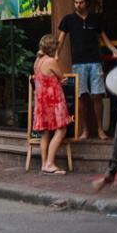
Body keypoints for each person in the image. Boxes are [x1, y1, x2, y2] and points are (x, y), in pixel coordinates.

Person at [58, 0, 117, 140]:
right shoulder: (68, 19)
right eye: (75, 3)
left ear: (87, 3)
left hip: (95, 62)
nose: (77, 5)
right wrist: (55, 54)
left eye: (80, 3)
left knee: (97, 96)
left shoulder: (95, 19)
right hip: (78, 64)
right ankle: (85, 131)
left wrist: (113, 50)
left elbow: (104, 38)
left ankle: (100, 130)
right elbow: (60, 40)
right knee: (81, 98)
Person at [32, 35, 71, 175]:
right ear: (53, 48)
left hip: (42, 102)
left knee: (45, 132)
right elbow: (62, 77)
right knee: (61, 130)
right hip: (53, 100)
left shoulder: (37, 61)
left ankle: (44, 164)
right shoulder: (51, 61)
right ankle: (50, 163)